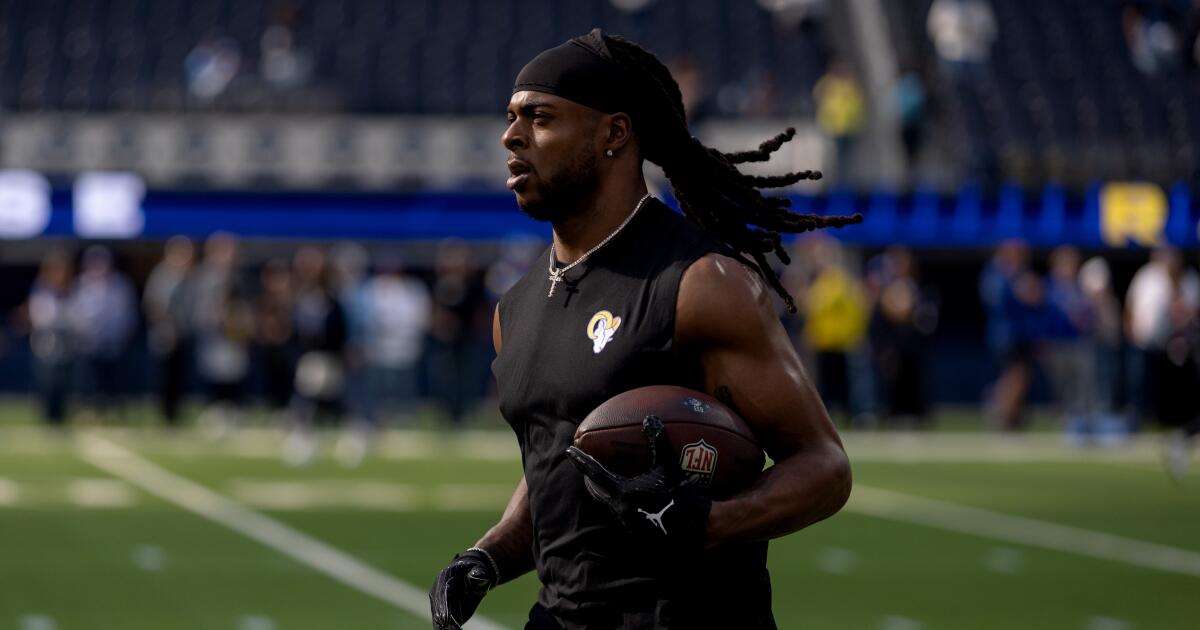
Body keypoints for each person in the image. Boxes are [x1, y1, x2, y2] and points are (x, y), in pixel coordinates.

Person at [429, 30, 857, 630]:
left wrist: (709, 523)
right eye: (511, 118)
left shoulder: (700, 283)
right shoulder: (516, 308)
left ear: (614, 133)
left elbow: (824, 468)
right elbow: (565, 464)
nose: (512, 136)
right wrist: (487, 557)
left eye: (540, 118)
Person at [143, 236, 196, 426]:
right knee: (164, 377)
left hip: (182, 335)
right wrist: (166, 323)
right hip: (164, 336)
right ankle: (164, 414)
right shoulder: (161, 275)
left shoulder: (188, 277)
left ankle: (176, 413)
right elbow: (152, 304)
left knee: (180, 377)